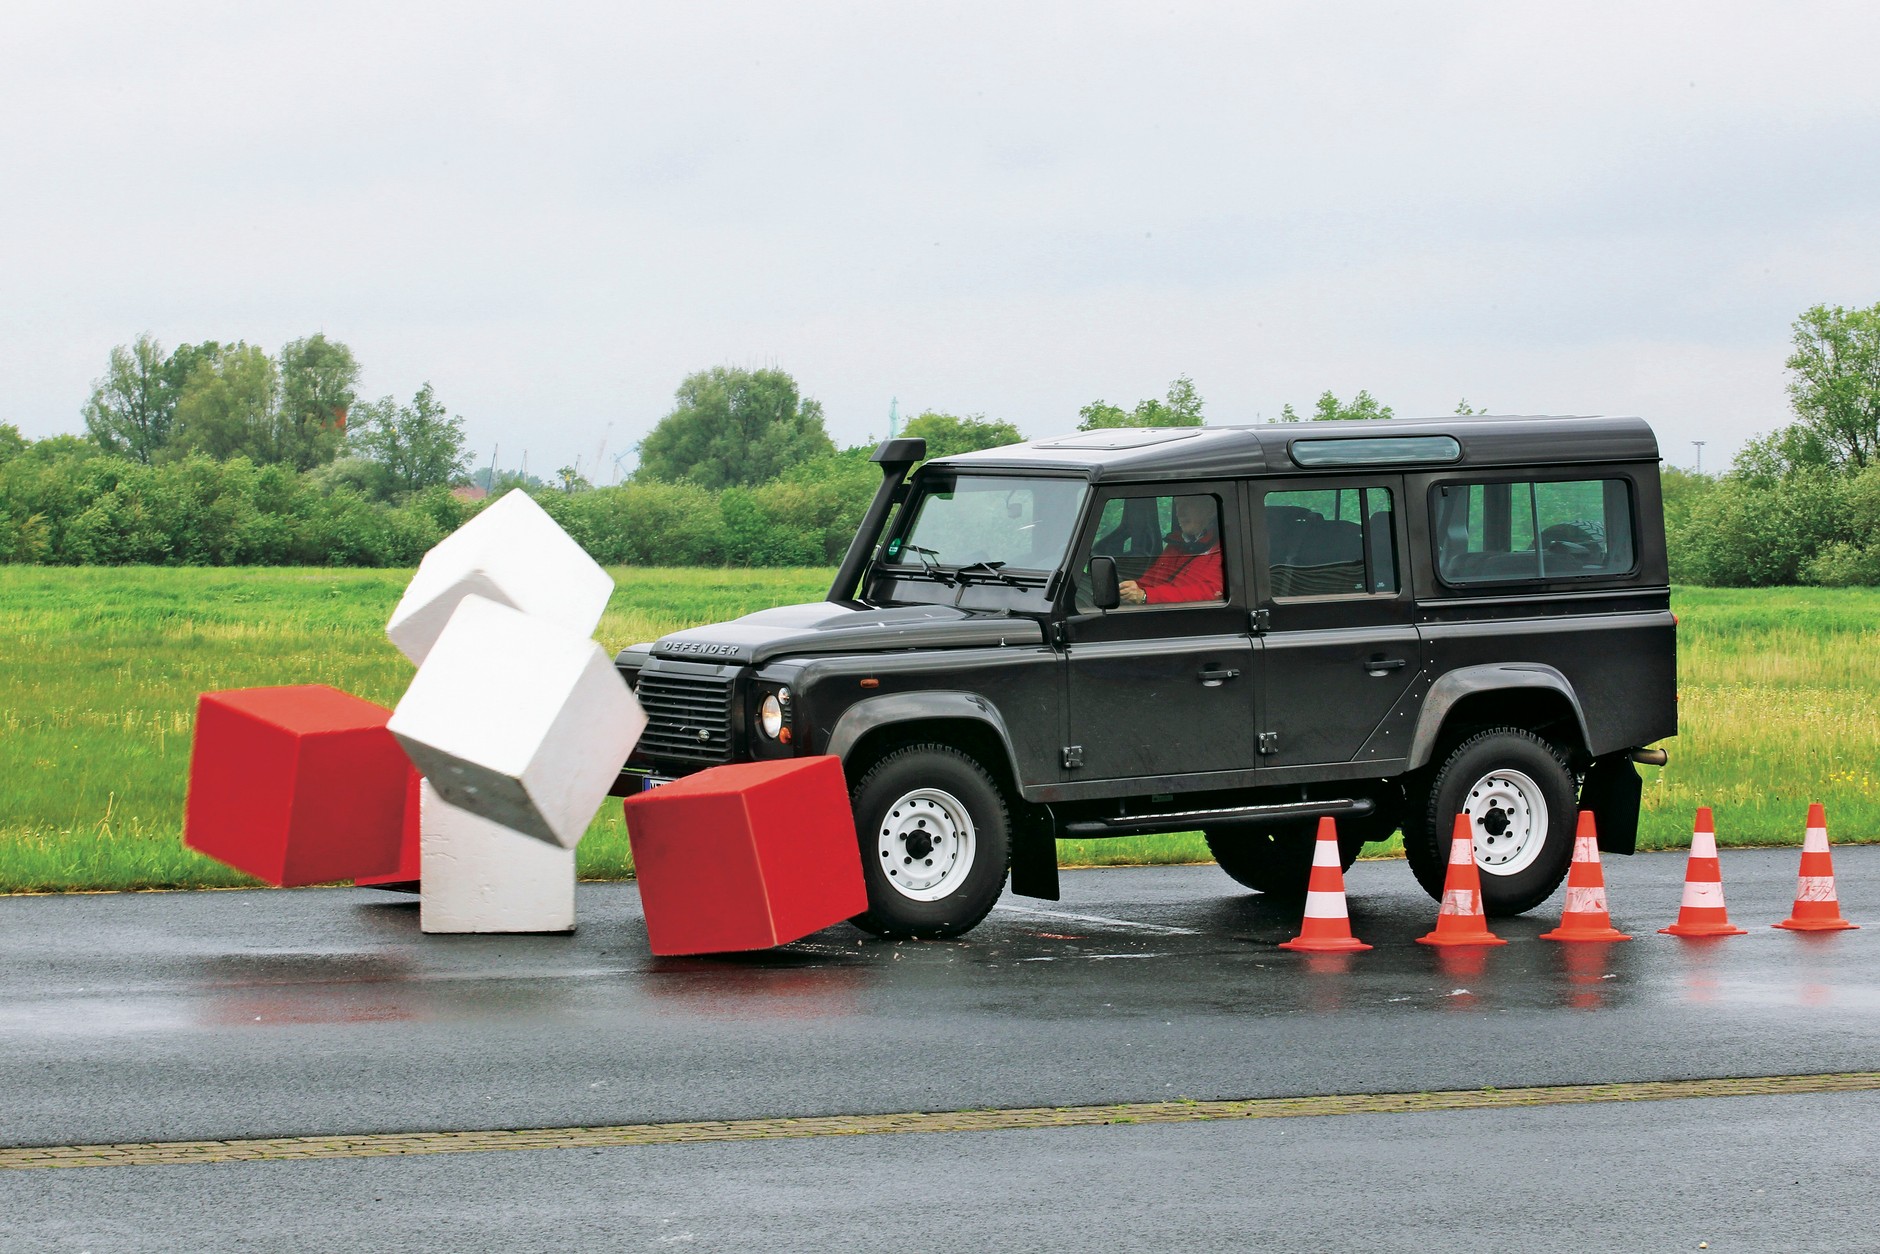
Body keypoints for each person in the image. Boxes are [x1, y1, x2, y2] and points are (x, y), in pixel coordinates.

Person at [1119, 495, 1223, 604]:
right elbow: (1150, 581)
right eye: (1178, 504)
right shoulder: (1176, 544)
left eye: (1188, 504)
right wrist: (1129, 589)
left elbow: (1211, 593)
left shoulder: (1224, 548)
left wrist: (1146, 595)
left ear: (1211, 509)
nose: (1180, 512)